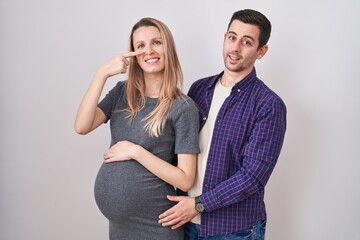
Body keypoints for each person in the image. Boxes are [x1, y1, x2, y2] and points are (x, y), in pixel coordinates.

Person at [158, 9, 287, 239]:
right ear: (225, 38)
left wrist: (198, 204)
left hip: (234, 230)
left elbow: (253, 176)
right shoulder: (199, 89)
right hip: (184, 223)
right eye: (232, 37)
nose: (235, 48)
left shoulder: (268, 104)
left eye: (246, 42)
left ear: (261, 51)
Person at [74, 17, 200, 240]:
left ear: (168, 47)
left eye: (156, 43)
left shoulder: (183, 107)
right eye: (140, 46)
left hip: (156, 224)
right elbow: (82, 126)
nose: (149, 51)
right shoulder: (122, 93)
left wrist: (136, 152)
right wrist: (101, 74)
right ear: (132, 54)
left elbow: (185, 179)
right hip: (120, 227)